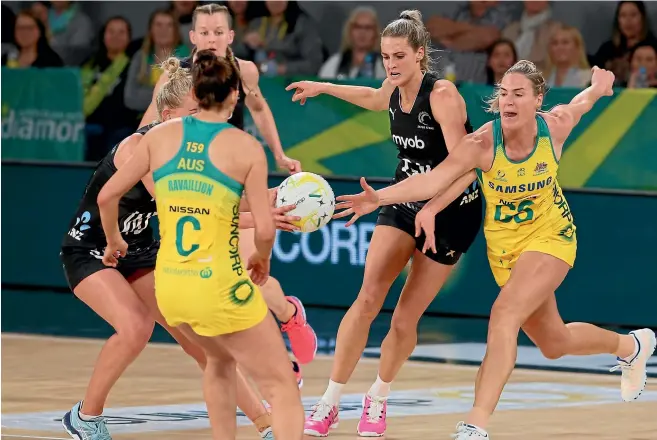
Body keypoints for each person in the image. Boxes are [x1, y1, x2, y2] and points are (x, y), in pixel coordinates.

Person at [333, 61, 656, 439]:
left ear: (538, 100)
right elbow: (434, 180)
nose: (509, 101)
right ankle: (632, 345)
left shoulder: (555, 126)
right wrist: (379, 198)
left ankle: (475, 425)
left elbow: (581, 102)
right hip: (505, 250)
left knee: (503, 314)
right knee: (553, 342)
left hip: (551, 237)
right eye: (504, 93)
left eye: (519, 94)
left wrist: (599, 87)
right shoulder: (482, 144)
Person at [60, 58, 297, 440]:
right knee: (135, 328)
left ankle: (265, 425)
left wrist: (267, 199)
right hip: (90, 248)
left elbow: (223, 201)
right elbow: (196, 209)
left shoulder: (190, 147)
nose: (201, 118)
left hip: (136, 248)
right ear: (170, 115)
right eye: (192, 111)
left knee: (204, 347)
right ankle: (86, 416)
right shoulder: (150, 145)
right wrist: (264, 214)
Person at [285, 10, 483, 437]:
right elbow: (373, 99)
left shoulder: (444, 95)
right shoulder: (392, 87)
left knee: (403, 318)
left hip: (454, 208)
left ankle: (377, 397)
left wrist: (432, 208)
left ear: (420, 55)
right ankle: (330, 401)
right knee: (368, 297)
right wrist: (323, 86)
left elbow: (467, 169)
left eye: (398, 56)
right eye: (385, 57)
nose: (390, 65)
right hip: (405, 197)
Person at [139, 2, 318, 369]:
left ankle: (287, 318)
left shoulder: (243, 70)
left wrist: (280, 154)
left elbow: (260, 109)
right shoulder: (176, 77)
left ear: (231, 36)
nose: (211, 39)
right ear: (192, 37)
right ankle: (265, 359)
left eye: (218, 32)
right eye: (204, 32)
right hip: (192, 186)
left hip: (232, 182)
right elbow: (145, 131)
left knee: (249, 276)